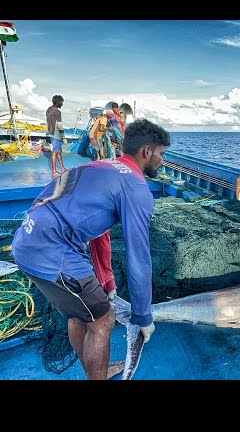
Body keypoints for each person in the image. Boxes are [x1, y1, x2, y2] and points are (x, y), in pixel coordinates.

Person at [11, 118, 171, 380]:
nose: (162, 161)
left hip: (25, 243)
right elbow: (139, 257)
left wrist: (107, 281)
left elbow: (99, 232)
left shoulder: (101, 166)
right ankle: (96, 376)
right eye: (161, 154)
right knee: (104, 320)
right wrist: (143, 315)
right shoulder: (136, 188)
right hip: (54, 253)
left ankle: (94, 371)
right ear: (146, 152)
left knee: (80, 313)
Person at [46, 95, 66, 177]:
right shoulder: (57, 112)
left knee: (59, 151)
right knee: (55, 152)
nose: (62, 104)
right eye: (62, 102)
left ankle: (62, 168)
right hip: (56, 133)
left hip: (50, 132)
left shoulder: (48, 110)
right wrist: (63, 136)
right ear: (58, 102)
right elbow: (60, 125)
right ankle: (54, 171)